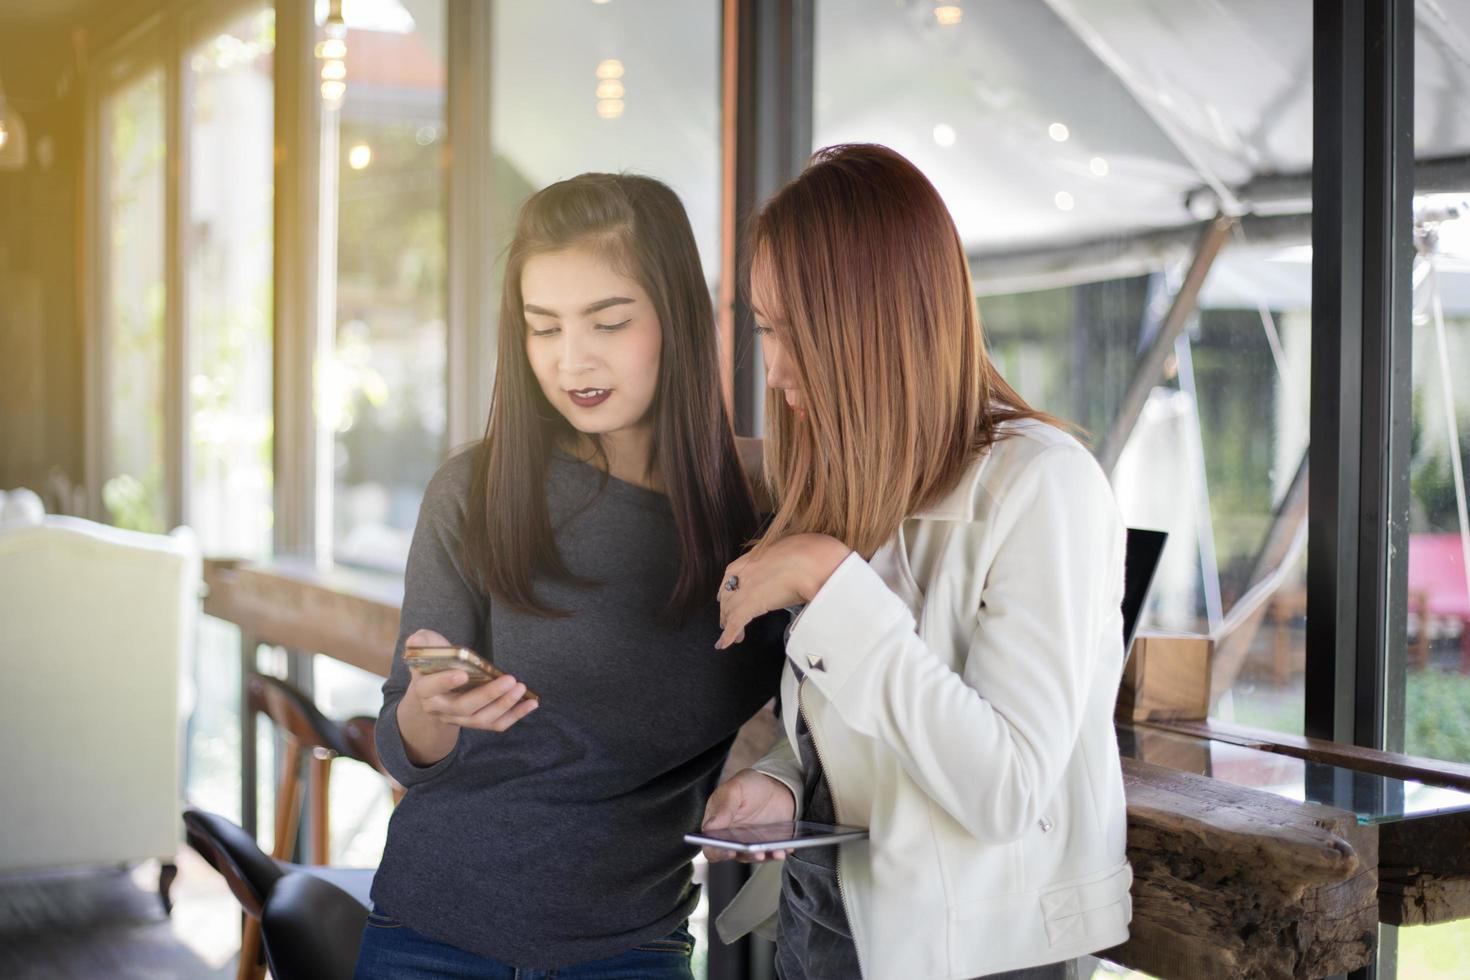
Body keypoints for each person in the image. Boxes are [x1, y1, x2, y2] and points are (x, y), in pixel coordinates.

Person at [703, 144, 1132, 980]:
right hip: (823, 925)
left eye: (800, 333)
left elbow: (1006, 788)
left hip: (973, 956)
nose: (777, 369)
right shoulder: (856, 474)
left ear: (880, 322)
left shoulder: (1043, 486)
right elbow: (858, 724)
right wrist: (785, 782)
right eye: (764, 329)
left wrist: (831, 583)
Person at [354, 173, 784, 979]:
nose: (571, 360)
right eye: (541, 328)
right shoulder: (476, 490)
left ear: (677, 319)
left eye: (608, 322)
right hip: (431, 935)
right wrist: (429, 711)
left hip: (632, 948)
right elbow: (401, 745)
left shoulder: (761, 523)